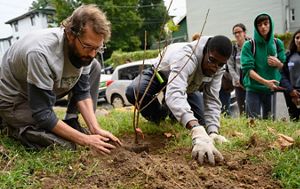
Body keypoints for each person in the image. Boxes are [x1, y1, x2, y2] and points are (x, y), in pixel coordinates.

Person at [0, 4, 121, 153]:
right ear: (71, 35)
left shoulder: (87, 50)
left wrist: (95, 128)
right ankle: (10, 126)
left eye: (98, 48)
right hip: (15, 96)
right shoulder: (40, 53)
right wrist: (85, 139)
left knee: (94, 66)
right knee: (65, 146)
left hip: (44, 88)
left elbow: (82, 92)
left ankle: (71, 120)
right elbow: (43, 113)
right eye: (88, 47)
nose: (92, 53)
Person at [126, 35, 233, 165]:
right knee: (135, 91)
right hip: (161, 73)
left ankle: (173, 113)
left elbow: (212, 99)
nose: (214, 67)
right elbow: (174, 92)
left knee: (202, 122)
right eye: (212, 60)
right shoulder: (187, 56)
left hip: (188, 87)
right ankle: (159, 116)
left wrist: (213, 132)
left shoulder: (218, 68)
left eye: (220, 64)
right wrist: (195, 129)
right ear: (206, 51)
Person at [241, 13, 286, 119]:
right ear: (256, 27)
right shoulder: (249, 45)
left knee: (270, 122)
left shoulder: (278, 43)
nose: (263, 27)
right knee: (252, 122)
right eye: (260, 25)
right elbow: (248, 70)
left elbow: (285, 67)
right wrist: (266, 82)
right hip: (253, 89)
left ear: (270, 25)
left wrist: (279, 64)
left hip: (271, 89)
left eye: (266, 24)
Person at [227, 23, 248, 116]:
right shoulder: (233, 49)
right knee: (242, 108)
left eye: (239, 32)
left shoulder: (251, 45)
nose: (237, 34)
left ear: (244, 33)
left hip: (251, 82)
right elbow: (230, 66)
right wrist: (238, 79)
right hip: (238, 83)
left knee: (253, 108)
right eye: (235, 33)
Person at [280, 29, 300, 120]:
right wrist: (290, 90)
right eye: (297, 37)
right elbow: (282, 74)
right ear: (294, 40)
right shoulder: (288, 56)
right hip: (291, 93)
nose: (299, 40)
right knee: (294, 120)